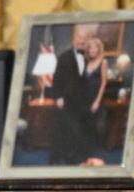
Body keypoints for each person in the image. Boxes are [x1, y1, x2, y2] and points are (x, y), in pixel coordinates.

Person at [49, 24, 94, 165]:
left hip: (82, 103)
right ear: (73, 38)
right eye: (79, 37)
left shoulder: (89, 57)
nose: (81, 40)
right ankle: (60, 157)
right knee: (68, 129)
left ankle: (77, 158)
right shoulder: (63, 57)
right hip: (67, 102)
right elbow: (56, 81)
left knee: (82, 129)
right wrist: (57, 97)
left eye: (84, 38)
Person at [82, 36, 108, 158]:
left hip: (95, 97)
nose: (92, 50)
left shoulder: (103, 61)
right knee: (85, 123)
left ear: (99, 49)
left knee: (95, 125)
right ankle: (85, 150)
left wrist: (97, 101)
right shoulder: (87, 62)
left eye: (95, 47)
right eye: (90, 47)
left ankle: (93, 153)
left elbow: (104, 82)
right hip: (85, 96)